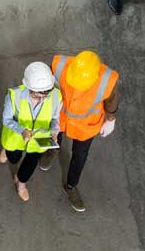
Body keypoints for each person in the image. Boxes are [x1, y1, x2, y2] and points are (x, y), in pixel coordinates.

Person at [43, 50, 118, 213]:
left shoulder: (107, 80)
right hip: (61, 116)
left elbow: (111, 101)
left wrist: (110, 119)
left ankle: (70, 186)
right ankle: (52, 150)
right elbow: (47, 83)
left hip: (86, 125)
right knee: (53, 136)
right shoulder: (60, 66)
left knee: (80, 156)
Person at [0, 61, 63, 202]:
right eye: (37, 95)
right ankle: (6, 150)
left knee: (31, 162)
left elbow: (55, 119)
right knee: (13, 158)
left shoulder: (56, 97)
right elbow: (6, 119)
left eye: (45, 94)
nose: (42, 98)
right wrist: (21, 130)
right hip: (16, 137)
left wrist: (54, 131)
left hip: (39, 139)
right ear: (28, 88)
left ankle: (21, 184)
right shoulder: (14, 96)